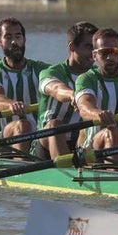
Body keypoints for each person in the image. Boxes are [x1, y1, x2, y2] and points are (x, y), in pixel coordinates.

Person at [73, 28, 118, 160]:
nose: (110, 57)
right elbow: (84, 106)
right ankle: (117, 174)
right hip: (93, 149)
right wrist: (97, 113)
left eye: (114, 52)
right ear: (94, 55)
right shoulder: (86, 79)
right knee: (113, 131)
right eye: (104, 52)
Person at [0, 17, 48, 151]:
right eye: (8, 37)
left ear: (24, 40)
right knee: (22, 126)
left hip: (37, 138)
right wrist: (10, 104)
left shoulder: (40, 69)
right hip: (2, 140)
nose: (14, 42)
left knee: (54, 124)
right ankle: (21, 168)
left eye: (18, 37)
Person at [35, 21, 98, 158]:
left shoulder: (97, 75)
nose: (93, 54)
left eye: (95, 48)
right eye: (88, 47)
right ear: (72, 47)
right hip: (49, 140)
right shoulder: (51, 72)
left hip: (81, 140)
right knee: (55, 125)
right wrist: (73, 96)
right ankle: (65, 173)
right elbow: (57, 89)